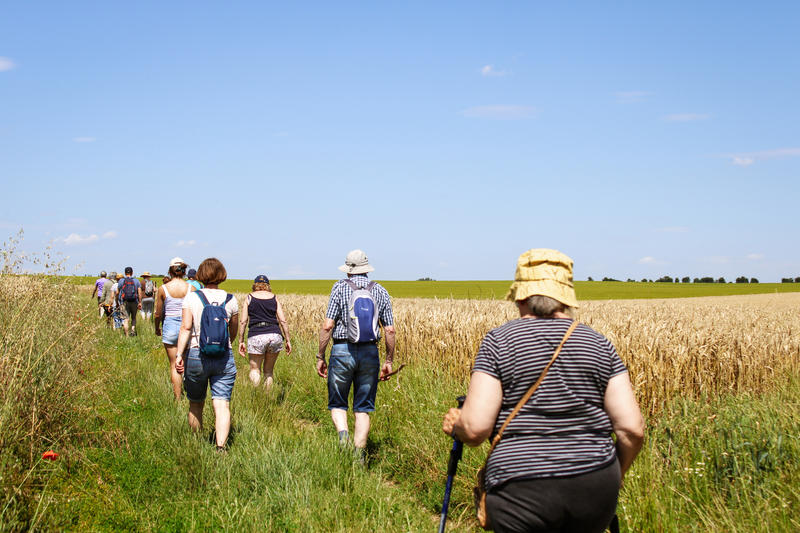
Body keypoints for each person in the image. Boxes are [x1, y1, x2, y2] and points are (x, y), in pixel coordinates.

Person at [441, 249, 644, 533]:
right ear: (565, 297)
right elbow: (632, 430)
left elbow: (475, 429)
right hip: (595, 488)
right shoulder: (600, 344)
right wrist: (613, 475)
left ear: (520, 295)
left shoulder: (499, 342)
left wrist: (457, 425)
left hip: (520, 488)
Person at [316, 249, 396, 463]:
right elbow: (390, 330)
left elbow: (327, 325)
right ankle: (359, 457)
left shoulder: (339, 287)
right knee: (363, 408)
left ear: (348, 270)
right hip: (370, 352)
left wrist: (320, 356)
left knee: (338, 403)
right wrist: (388, 361)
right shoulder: (380, 290)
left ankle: (344, 440)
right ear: (367, 269)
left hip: (342, 350)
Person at [175, 258, 238, 451]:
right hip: (224, 356)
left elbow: (186, 327)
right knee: (222, 404)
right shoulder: (231, 299)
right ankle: (221, 448)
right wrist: (226, 344)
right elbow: (233, 330)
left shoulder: (192, 298)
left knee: (195, 403)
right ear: (222, 275)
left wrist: (179, 354)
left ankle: (197, 444)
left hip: (196, 354)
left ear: (201, 275)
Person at [237, 275, 292, 389]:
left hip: (256, 335)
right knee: (268, 372)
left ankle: (257, 395)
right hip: (275, 335)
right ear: (268, 285)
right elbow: (283, 320)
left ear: (255, 285)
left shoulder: (249, 298)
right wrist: (288, 340)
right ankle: (267, 396)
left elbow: (243, 321)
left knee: (255, 369)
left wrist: (241, 341)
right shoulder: (274, 297)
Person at [154, 258, 192, 400]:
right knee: (186, 362)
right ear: (184, 271)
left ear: (170, 271)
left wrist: (157, 327)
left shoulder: (163, 288)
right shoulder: (191, 288)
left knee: (173, 364)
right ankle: (189, 392)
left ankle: (177, 398)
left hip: (169, 326)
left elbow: (158, 313)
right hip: (186, 326)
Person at [117, 266, 143, 337]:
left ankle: (127, 336)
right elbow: (139, 292)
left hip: (124, 302)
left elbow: (117, 292)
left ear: (125, 273)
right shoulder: (136, 281)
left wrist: (118, 301)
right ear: (132, 272)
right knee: (133, 317)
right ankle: (132, 330)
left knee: (126, 319)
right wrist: (140, 302)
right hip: (134, 301)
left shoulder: (121, 281)